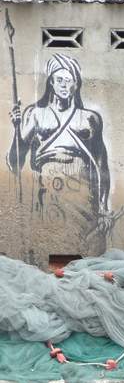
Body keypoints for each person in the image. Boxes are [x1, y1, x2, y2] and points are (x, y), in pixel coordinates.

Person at [8, 53, 113, 255]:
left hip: (83, 197)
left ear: (76, 84)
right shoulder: (35, 114)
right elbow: (15, 164)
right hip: (48, 195)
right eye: (60, 80)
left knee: (82, 253)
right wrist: (16, 129)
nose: (65, 85)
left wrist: (103, 208)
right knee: (50, 252)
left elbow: (102, 167)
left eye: (70, 80)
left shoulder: (90, 119)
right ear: (51, 82)